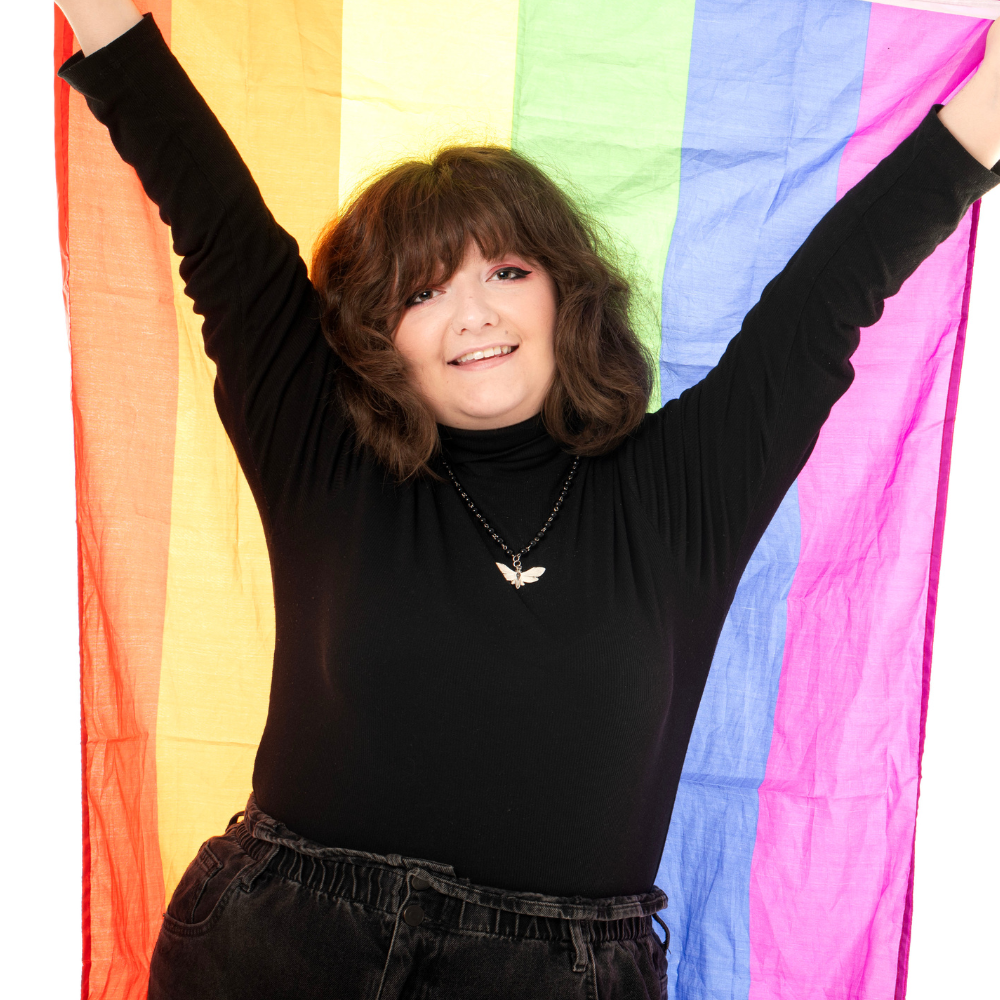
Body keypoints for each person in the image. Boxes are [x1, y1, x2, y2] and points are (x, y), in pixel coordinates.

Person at [55, 2, 1000, 998]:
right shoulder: (321, 457)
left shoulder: (682, 490)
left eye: (506, 270)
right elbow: (216, 221)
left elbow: (834, 288)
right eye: (421, 291)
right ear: (380, 333)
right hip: (289, 950)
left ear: (563, 292)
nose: (474, 313)